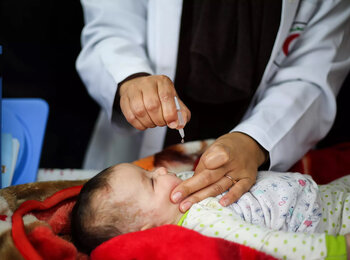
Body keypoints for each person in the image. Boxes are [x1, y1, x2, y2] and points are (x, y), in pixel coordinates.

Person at [76, 0, 350, 212]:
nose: (160, 170)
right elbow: (109, 27)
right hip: (139, 142)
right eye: (149, 180)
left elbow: (313, 74)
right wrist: (130, 78)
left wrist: (255, 141)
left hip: (269, 146)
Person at [71, 163, 350, 259]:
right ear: (149, 229)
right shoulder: (204, 223)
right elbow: (267, 245)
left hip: (324, 194)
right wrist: (336, 249)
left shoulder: (180, 195)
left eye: (148, 170)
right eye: (152, 180)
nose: (161, 170)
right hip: (332, 221)